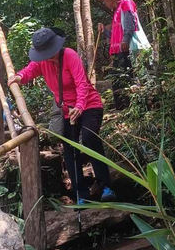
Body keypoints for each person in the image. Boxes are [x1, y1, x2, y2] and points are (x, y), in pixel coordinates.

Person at [8, 27, 116, 203]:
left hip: (88, 104)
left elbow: (81, 83)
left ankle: (105, 186)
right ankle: (81, 193)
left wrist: (80, 106)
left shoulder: (70, 56)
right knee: (69, 148)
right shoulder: (42, 61)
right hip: (66, 109)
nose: (48, 56)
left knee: (89, 139)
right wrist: (18, 77)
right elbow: (29, 71)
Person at [97, 0, 135, 110]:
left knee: (125, 78)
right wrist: (104, 31)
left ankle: (129, 106)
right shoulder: (117, 11)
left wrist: (125, 39)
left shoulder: (125, 3)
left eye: (105, 0)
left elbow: (130, 23)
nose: (105, 3)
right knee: (116, 79)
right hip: (118, 51)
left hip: (125, 49)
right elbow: (115, 35)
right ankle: (121, 107)